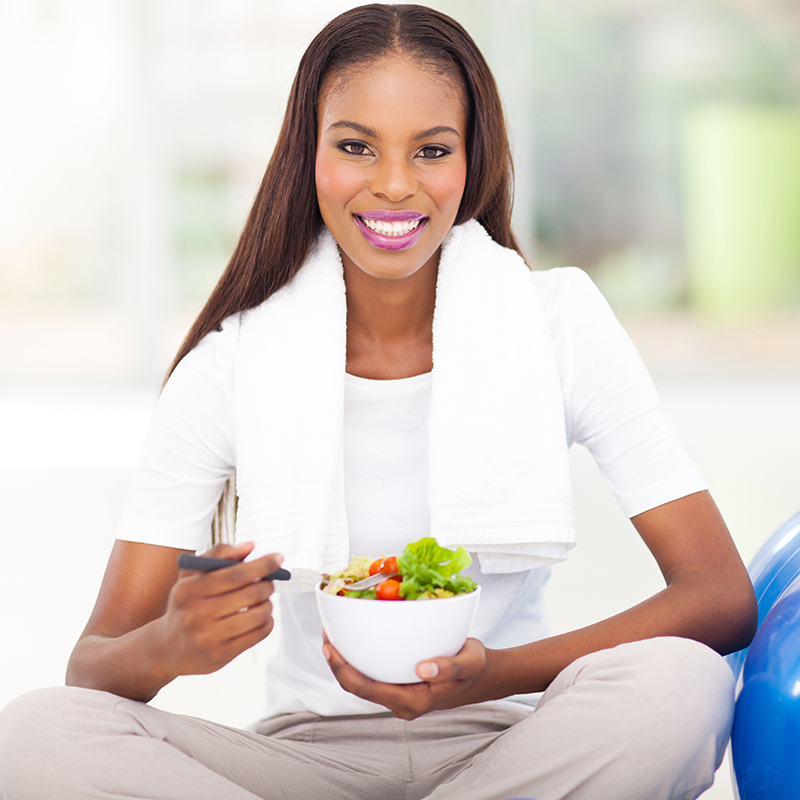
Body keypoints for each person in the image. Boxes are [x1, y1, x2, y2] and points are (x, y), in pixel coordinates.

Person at [0, 5, 757, 799]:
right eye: (356, 146)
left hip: (511, 737)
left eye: (431, 150)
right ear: (310, 153)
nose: (394, 185)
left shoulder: (556, 323)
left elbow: (718, 595)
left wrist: (491, 676)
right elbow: (92, 666)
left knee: (682, 683)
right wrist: (172, 644)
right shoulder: (230, 365)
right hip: (302, 763)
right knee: (37, 733)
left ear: (472, 160)